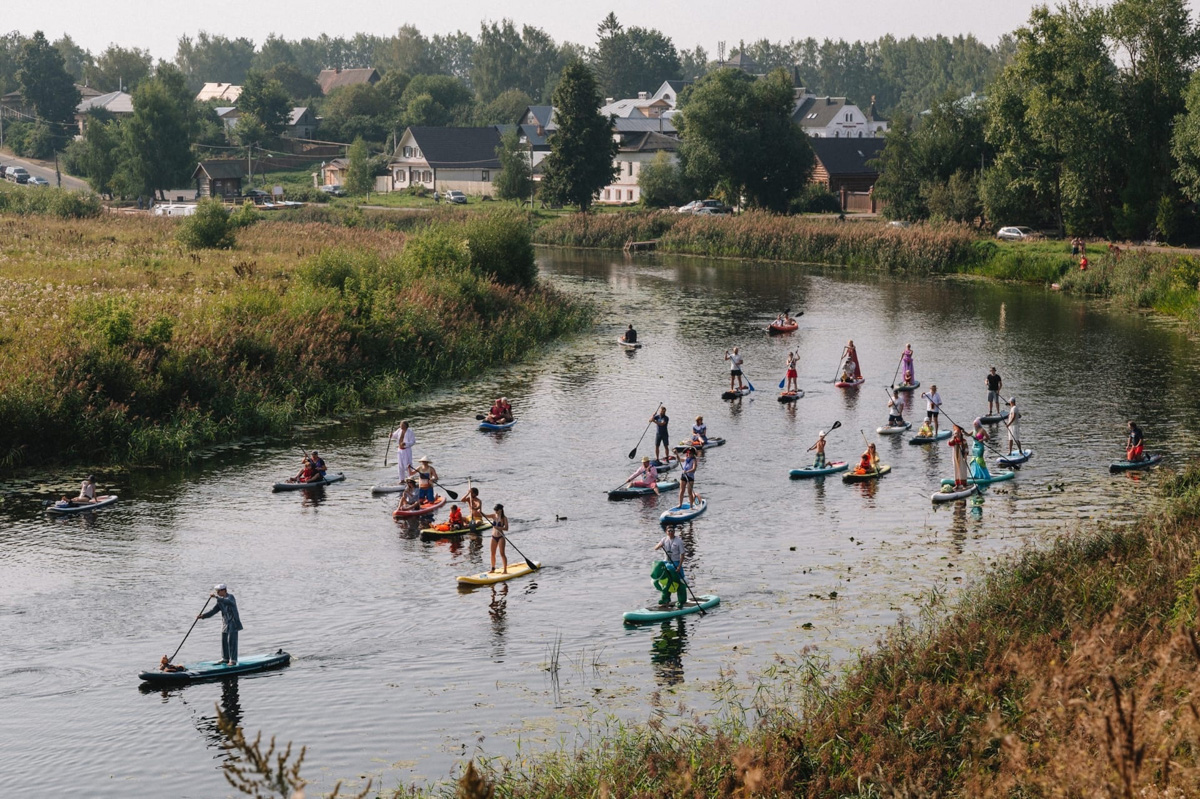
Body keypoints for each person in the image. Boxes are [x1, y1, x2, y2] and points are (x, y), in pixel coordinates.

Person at [198, 584, 243, 667]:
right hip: (225, 623)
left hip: (233, 623)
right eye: (217, 591)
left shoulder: (230, 597)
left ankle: (233, 660)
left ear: (224, 590)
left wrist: (216, 597)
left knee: (231, 642)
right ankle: (225, 658)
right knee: (224, 641)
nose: (217, 592)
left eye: (219, 591)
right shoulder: (220, 601)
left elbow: (227, 602)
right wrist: (203, 616)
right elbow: (213, 611)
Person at [653, 526, 688, 608]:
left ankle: (681, 601)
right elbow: (655, 548)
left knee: (680, 582)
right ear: (666, 531)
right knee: (664, 581)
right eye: (669, 531)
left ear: (674, 532)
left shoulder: (678, 541)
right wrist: (660, 545)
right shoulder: (664, 539)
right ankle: (665, 601)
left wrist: (679, 566)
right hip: (666, 562)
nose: (670, 532)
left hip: (675, 562)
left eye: (672, 531)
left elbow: (682, 555)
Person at [486, 503, 509, 573]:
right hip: (493, 537)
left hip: (501, 537)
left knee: (502, 553)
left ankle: (505, 570)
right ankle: (493, 569)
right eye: (494, 510)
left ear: (500, 510)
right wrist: (479, 511)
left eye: (496, 510)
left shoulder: (504, 518)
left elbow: (506, 528)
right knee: (492, 553)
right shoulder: (493, 516)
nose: (495, 511)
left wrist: (499, 527)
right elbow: (484, 515)